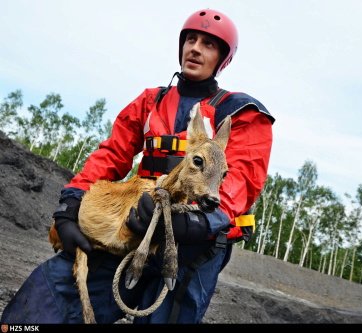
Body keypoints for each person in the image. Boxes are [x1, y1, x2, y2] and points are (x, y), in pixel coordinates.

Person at [1, 8, 274, 324]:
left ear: (222, 58)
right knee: (48, 298)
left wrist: (192, 224)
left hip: (193, 245)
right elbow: (112, 155)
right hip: (136, 221)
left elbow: (240, 181)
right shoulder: (150, 101)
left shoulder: (242, 112)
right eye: (191, 39)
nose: (196, 48)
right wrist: (71, 202)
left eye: (209, 44)